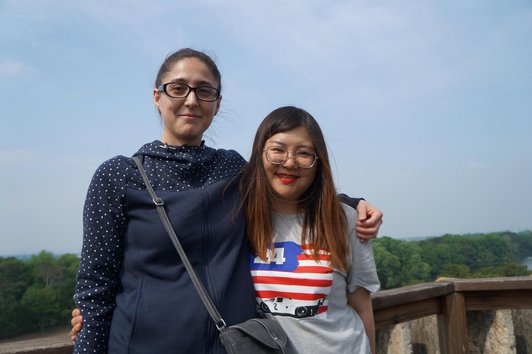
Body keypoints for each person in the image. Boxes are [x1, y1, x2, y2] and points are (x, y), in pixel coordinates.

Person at [72, 48, 383, 353]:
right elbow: (95, 287)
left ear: (217, 104)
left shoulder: (231, 169)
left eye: (204, 91)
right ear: (158, 96)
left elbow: (286, 185)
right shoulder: (120, 175)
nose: (191, 100)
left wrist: (352, 205)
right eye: (178, 88)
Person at [241, 106, 379, 353]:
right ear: (260, 154)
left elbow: (362, 306)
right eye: (277, 150)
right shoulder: (242, 218)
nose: (289, 162)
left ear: (318, 162)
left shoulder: (344, 220)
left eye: (303, 153)